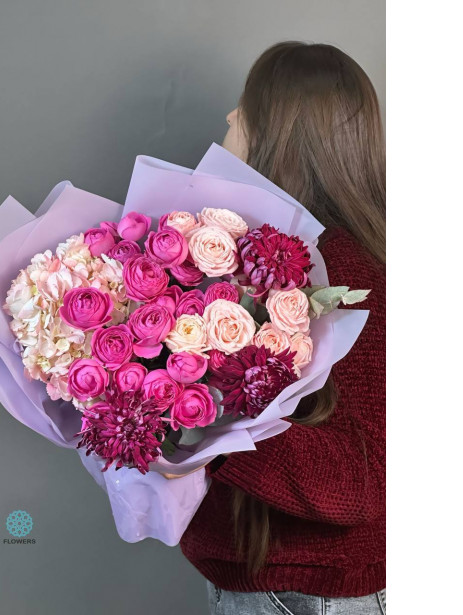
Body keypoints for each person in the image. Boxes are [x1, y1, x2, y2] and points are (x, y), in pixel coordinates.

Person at [176, 42, 386, 614]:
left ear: (281, 129)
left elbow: (358, 483)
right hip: (280, 587)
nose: (229, 117)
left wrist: (196, 417)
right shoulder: (266, 261)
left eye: (245, 104)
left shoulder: (350, 275)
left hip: (305, 596)